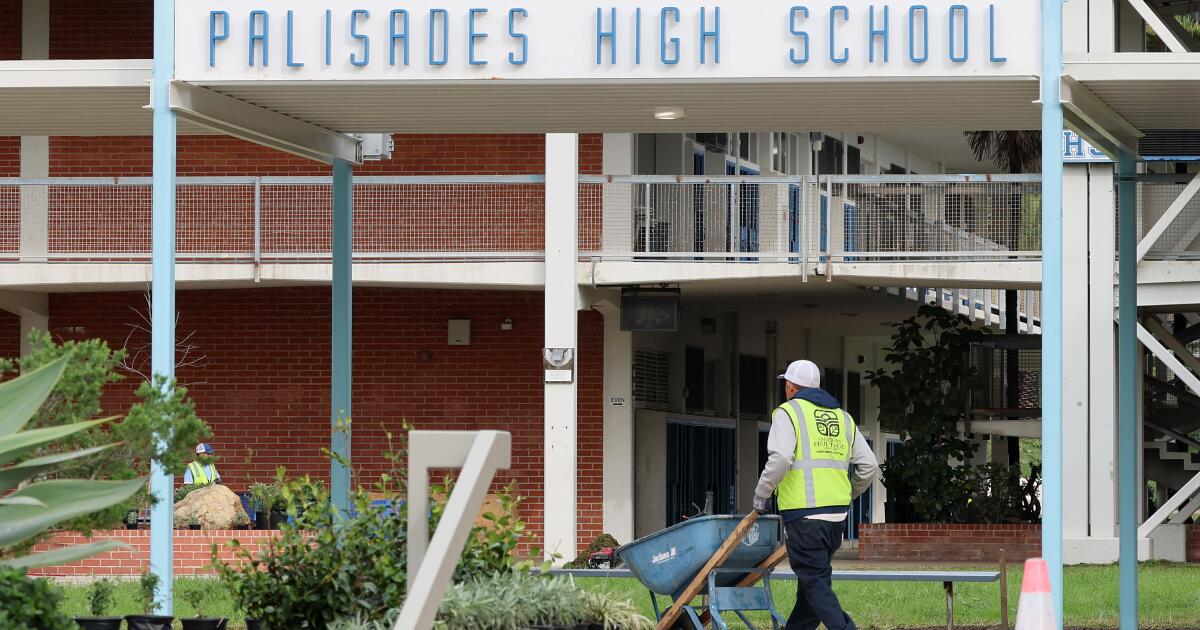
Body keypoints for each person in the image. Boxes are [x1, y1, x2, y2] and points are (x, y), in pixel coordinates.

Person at [753, 360, 879, 630]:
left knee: (815, 585)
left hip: (805, 517)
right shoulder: (843, 417)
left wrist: (761, 495)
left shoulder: (788, 413)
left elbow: (782, 458)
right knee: (811, 587)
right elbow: (869, 467)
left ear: (789, 386)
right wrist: (847, 494)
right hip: (836, 518)